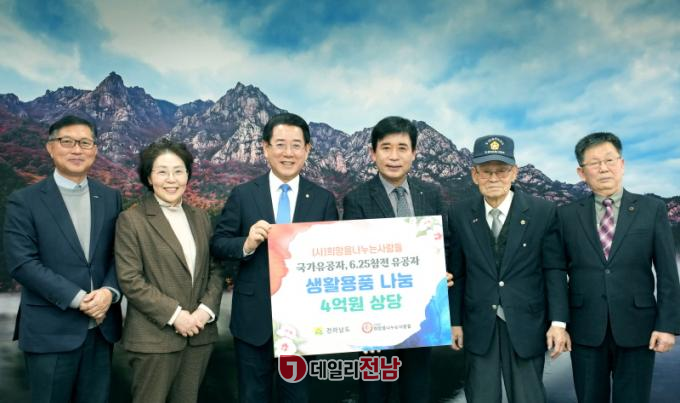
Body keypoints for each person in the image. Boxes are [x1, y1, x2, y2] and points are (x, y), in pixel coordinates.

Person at [210, 112, 338, 402]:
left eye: (296, 145)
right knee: (252, 396)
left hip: (304, 325)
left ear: (307, 150)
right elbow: (218, 244)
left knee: (297, 397)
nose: (288, 153)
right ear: (265, 148)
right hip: (252, 320)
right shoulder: (243, 195)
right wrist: (247, 243)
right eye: (280, 144)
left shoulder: (323, 199)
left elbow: (332, 259)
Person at [3, 115, 122, 403]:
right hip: (49, 332)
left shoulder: (110, 197)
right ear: (50, 147)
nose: (76, 149)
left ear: (95, 149)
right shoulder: (24, 201)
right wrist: (80, 299)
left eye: (85, 143)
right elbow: (22, 263)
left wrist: (110, 292)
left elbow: (122, 254)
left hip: (101, 331)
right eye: (67, 141)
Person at [559, 132, 680, 403]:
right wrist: (559, 323)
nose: (603, 168)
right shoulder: (566, 215)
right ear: (581, 172)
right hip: (585, 328)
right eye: (594, 162)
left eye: (609, 160)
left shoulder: (652, 209)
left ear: (622, 164)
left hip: (639, 327)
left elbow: (667, 273)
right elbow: (556, 273)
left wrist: (668, 325)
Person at [447, 135, 570, 403]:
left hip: (528, 323)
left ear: (514, 172)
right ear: (474, 175)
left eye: (501, 170)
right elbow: (458, 273)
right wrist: (454, 322)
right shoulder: (459, 214)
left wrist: (558, 323)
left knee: (528, 397)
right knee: (481, 397)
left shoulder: (543, 211)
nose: (494, 177)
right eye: (486, 171)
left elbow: (554, 270)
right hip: (478, 324)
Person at [342, 116, 447, 403]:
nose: (394, 156)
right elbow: (352, 258)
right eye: (386, 148)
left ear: (414, 153)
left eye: (402, 148)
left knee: (417, 392)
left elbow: (444, 244)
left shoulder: (431, 195)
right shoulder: (356, 199)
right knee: (373, 393)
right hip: (374, 321)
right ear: (372, 153)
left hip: (421, 320)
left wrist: (444, 271)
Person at [115, 139, 226, 403]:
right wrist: (176, 316)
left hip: (199, 335)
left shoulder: (200, 217)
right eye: (162, 172)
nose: (171, 179)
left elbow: (216, 268)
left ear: (187, 175)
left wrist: (204, 312)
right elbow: (130, 280)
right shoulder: (132, 220)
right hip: (154, 338)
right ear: (149, 177)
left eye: (178, 171)